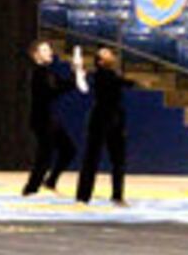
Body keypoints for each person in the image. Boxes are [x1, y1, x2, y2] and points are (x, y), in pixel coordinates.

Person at [23, 41, 84, 196]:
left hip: (50, 119)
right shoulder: (37, 73)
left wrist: (76, 74)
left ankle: (50, 182)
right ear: (36, 55)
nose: (50, 51)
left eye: (49, 49)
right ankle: (30, 190)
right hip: (41, 119)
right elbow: (52, 91)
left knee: (68, 150)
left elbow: (63, 86)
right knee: (44, 157)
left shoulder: (48, 72)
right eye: (44, 49)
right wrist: (74, 78)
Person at [75, 47, 130, 206]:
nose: (111, 55)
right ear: (100, 61)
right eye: (106, 54)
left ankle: (117, 195)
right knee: (91, 159)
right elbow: (122, 83)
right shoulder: (100, 75)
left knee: (118, 159)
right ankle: (83, 196)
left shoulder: (112, 74)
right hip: (100, 119)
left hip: (115, 118)